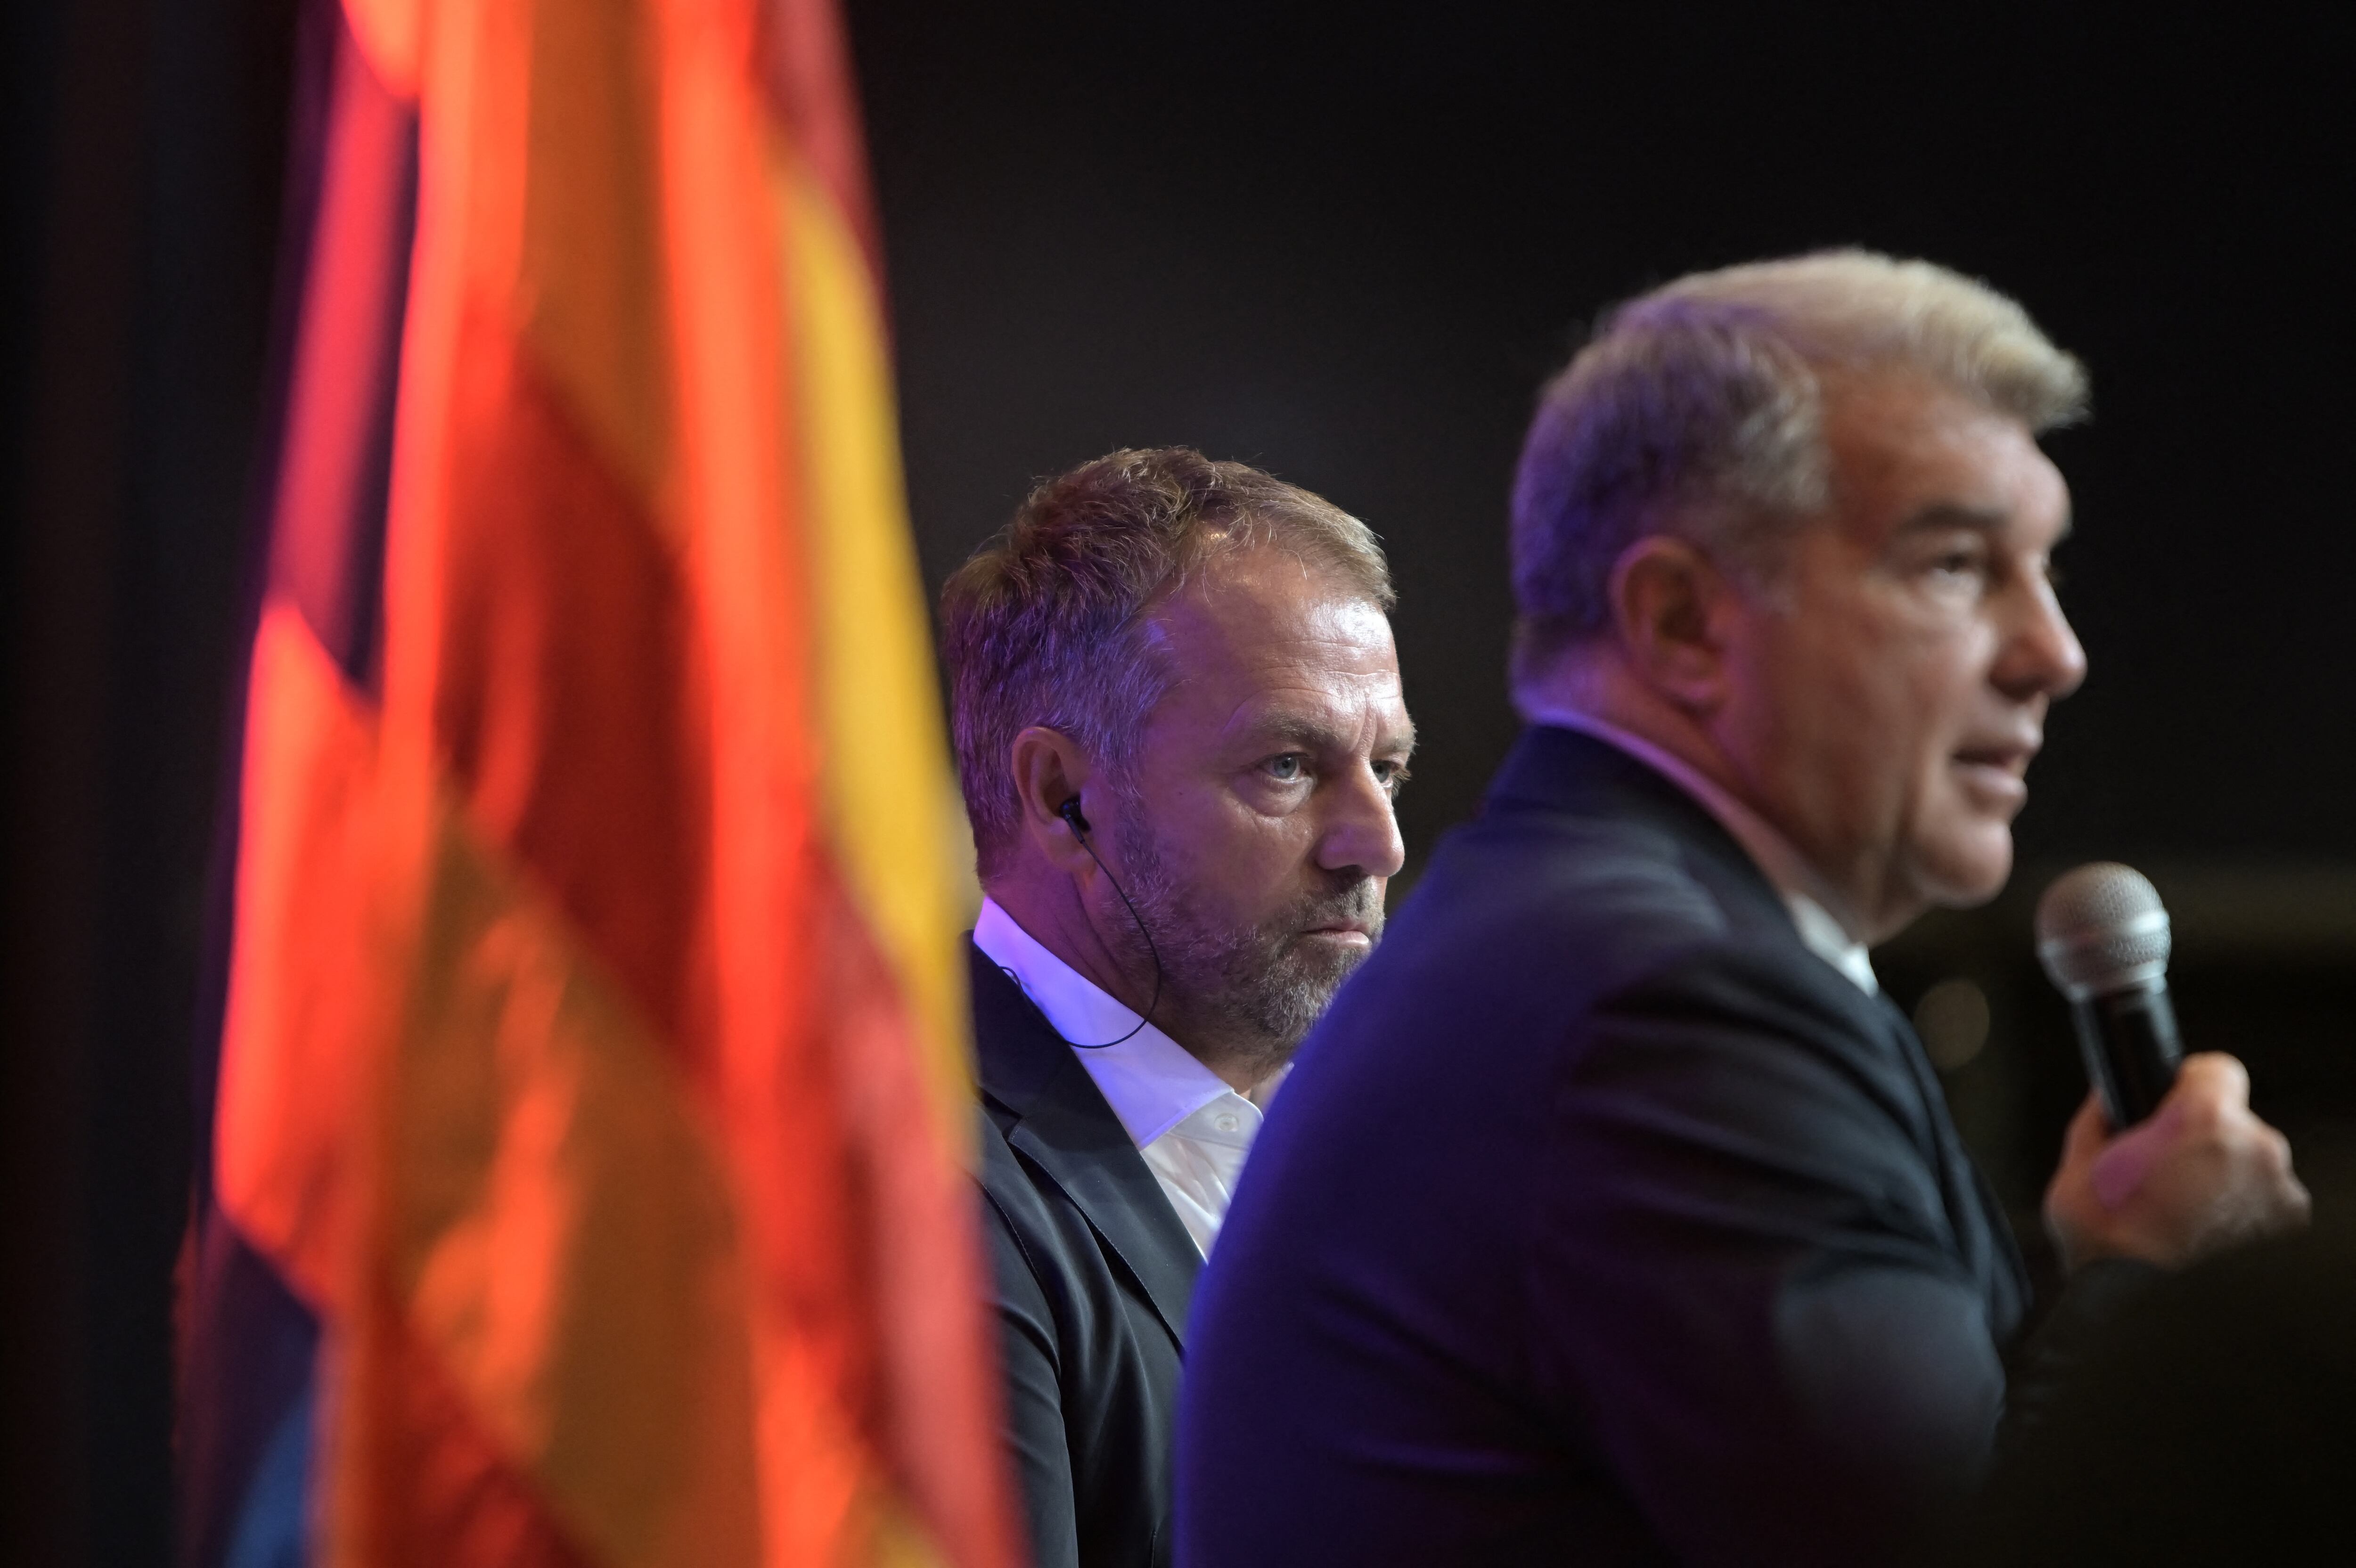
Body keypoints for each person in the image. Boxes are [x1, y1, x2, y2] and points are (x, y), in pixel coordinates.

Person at [1174, 252, 2310, 1567]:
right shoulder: (1660, 1004)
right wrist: (2156, 1299)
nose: (2054, 651)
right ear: (1680, 621)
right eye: (1955, 563)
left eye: (2043, 569)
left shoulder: (1581, 935)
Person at [938, 447, 1415, 1568]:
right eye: (1289, 766)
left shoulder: (1387, 1163)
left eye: (1386, 769)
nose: (1377, 842)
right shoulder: (924, 1192)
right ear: (1063, 797)